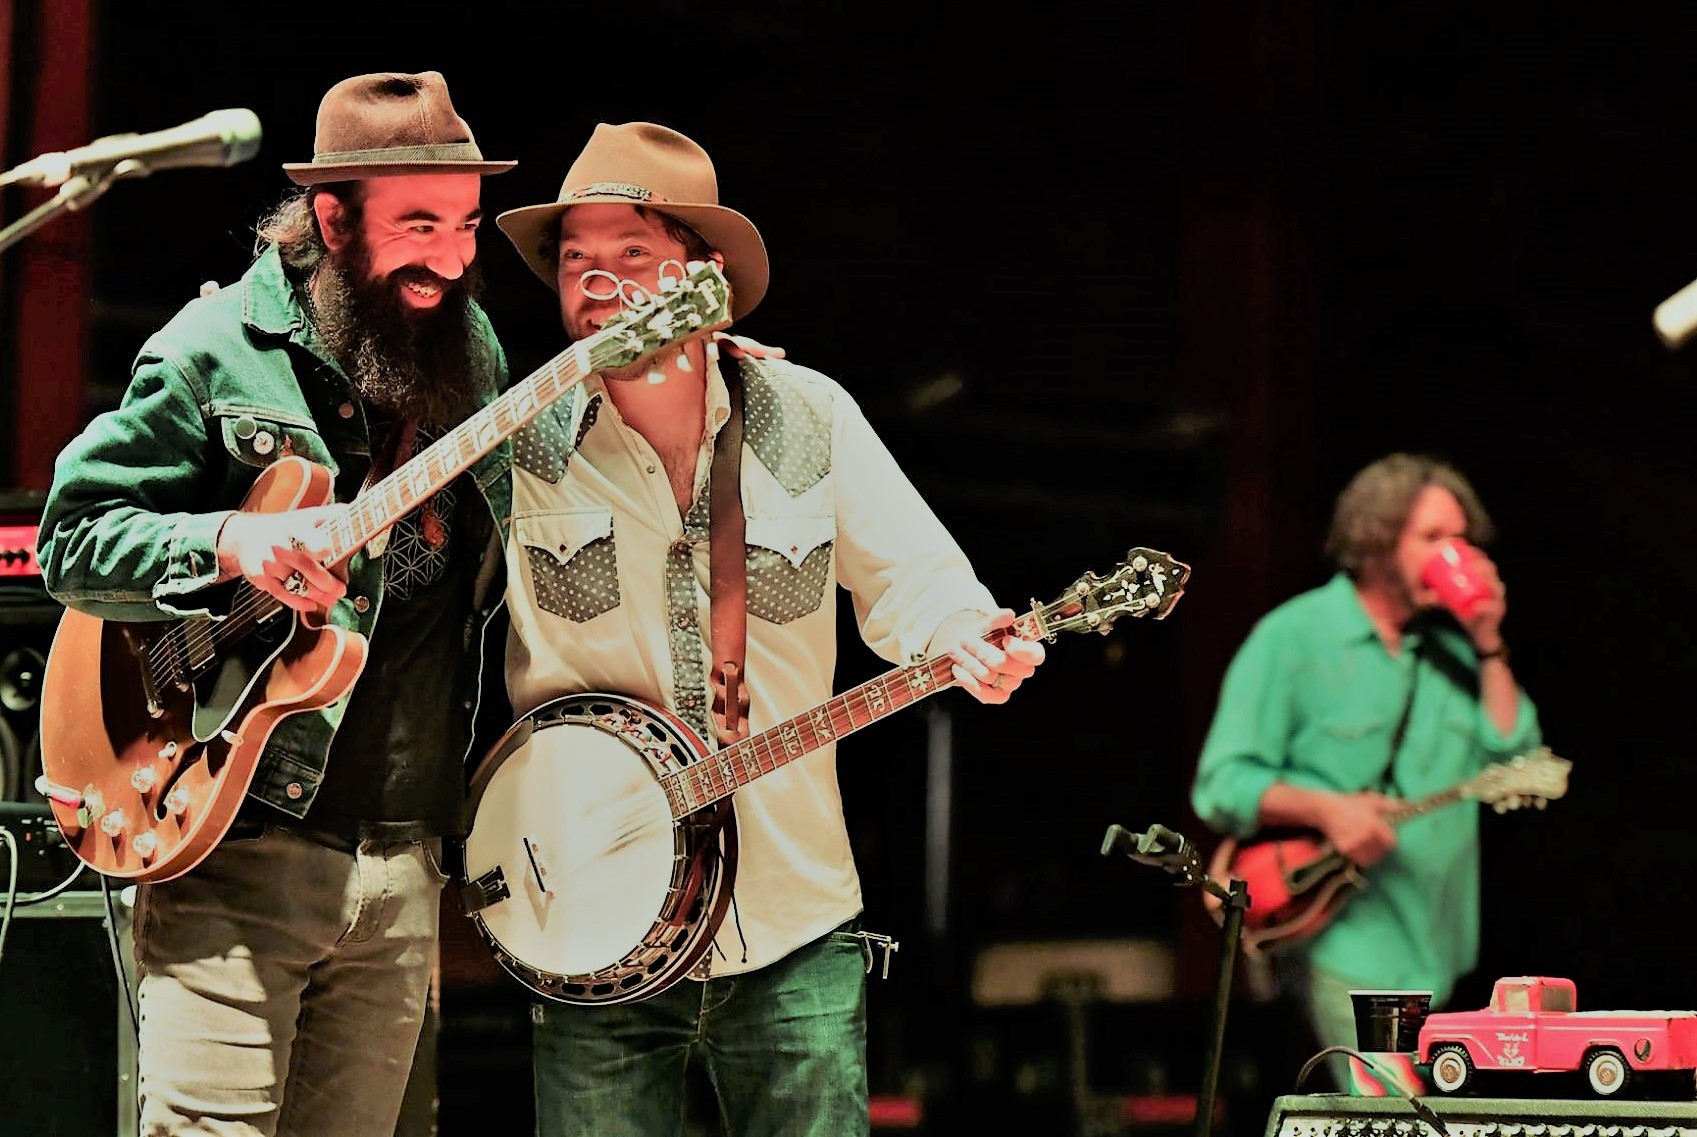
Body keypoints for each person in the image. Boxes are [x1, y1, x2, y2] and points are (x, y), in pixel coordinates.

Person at [491, 120, 1048, 1136]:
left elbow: (916, 582)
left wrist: (967, 633)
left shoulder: (809, 414)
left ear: (705, 276)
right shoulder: (514, 441)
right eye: (576, 261)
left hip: (791, 922)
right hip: (581, 922)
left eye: (632, 256)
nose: (596, 284)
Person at [36, 71, 517, 1136]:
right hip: (234, 835)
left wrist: (690, 386)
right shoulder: (211, 349)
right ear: (333, 218)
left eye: (467, 225)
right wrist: (233, 537)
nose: (451, 257)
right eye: (418, 225)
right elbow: (71, 543)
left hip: (400, 854)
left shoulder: (472, 352)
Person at [1190, 452, 1541, 1087]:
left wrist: (1489, 639)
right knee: (1394, 1111)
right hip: (1347, 935)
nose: (1455, 553)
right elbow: (1221, 783)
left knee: (1417, 1117)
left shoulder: (1452, 648)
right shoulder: (1294, 637)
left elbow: (1518, 759)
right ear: (1376, 540)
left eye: (1462, 539)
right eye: (1434, 537)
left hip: (1442, 940)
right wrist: (1328, 809)